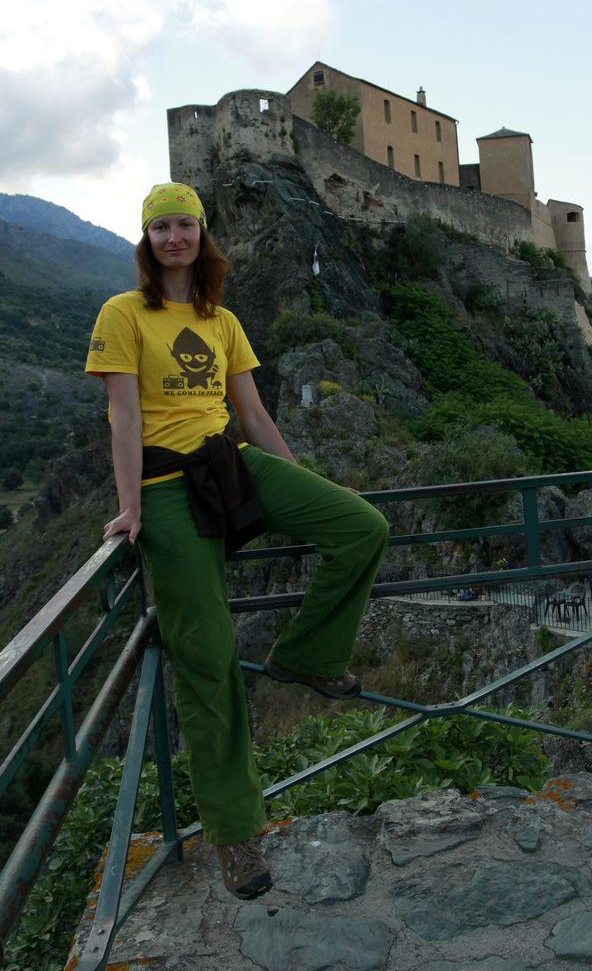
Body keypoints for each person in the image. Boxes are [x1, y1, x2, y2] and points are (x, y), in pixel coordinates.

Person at [85, 182, 389, 900]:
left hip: (231, 466)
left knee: (362, 525)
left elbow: (251, 411)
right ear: (146, 240)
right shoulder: (123, 313)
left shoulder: (222, 319)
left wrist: (295, 490)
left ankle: (307, 655)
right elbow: (123, 419)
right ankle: (234, 836)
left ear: (202, 234)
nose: (174, 237)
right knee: (209, 659)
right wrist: (129, 507)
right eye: (161, 227)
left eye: (184, 224)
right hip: (163, 493)